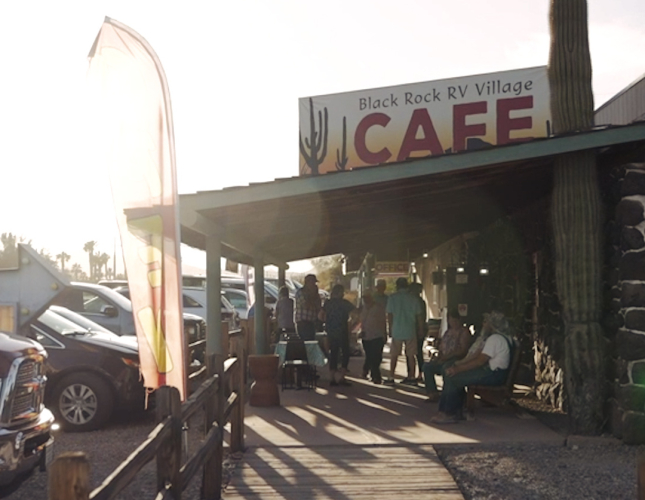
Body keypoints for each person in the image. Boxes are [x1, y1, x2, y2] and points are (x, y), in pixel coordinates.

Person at [431, 309, 513, 423]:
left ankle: (449, 413)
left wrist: (457, 369)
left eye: (486, 322)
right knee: (455, 375)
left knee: (453, 378)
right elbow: (478, 356)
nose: (483, 324)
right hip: (494, 372)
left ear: (492, 325)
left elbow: (479, 361)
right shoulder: (503, 338)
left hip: (493, 374)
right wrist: (459, 365)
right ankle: (451, 411)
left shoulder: (495, 339)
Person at [422, 308, 471, 401]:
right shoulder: (448, 332)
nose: (454, 322)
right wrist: (438, 355)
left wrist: (448, 357)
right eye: (451, 320)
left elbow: (463, 350)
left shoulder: (464, 332)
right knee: (427, 367)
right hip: (443, 358)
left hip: (455, 359)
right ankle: (433, 393)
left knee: (446, 368)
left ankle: (449, 395)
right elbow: (441, 346)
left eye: (456, 320)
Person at [385, 277, 424, 385]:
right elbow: (419, 316)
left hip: (397, 329)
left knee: (394, 354)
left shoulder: (392, 298)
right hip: (410, 329)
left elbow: (390, 315)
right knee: (411, 355)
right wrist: (420, 329)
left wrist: (390, 329)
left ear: (397, 286)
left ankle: (391, 377)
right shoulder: (414, 298)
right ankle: (411, 377)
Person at [320, 284, 355, 386]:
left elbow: (320, 315)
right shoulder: (345, 303)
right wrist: (351, 324)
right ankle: (342, 377)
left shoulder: (328, 303)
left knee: (333, 353)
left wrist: (326, 322)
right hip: (342, 330)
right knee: (345, 353)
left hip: (331, 330)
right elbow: (355, 313)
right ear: (340, 293)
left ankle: (332, 377)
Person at [360, 290, 387, 384]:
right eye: (364, 298)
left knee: (376, 357)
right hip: (366, 336)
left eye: (367, 297)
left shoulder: (378, 308)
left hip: (377, 335)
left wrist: (385, 334)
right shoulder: (362, 308)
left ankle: (376, 376)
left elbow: (383, 322)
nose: (365, 299)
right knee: (370, 356)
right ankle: (369, 372)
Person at [409, 282, 428, 380]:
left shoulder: (417, 302)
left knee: (414, 352)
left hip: (416, 329)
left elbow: (421, 317)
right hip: (418, 328)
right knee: (417, 352)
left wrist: (420, 329)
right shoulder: (421, 301)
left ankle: (416, 373)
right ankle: (418, 373)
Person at [294, 274, 322, 341]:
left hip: (312, 322)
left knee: (312, 341)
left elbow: (319, 307)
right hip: (303, 322)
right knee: (306, 342)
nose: (314, 285)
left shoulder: (315, 295)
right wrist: (312, 295)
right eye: (313, 283)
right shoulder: (301, 292)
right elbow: (307, 305)